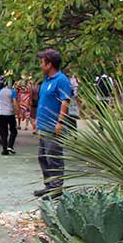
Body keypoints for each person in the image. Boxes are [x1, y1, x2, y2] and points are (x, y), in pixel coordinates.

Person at [33, 49, 72, 199]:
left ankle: (56, 189)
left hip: (53, 126)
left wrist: (60, 122)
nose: (41, 65)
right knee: (43, 157)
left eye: (42, 62)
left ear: (49, 64)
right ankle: (49, 186)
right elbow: (43, 101)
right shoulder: (46, 80)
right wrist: (37, 119)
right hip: (43, 125)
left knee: (54, 157)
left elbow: (65, 101)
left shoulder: (61, 80)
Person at [0, 80, 20, 155]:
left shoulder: (0, 91)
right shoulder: (13, 91)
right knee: (13, 130)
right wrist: (18, 112)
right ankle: (10, 145)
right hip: (10, 113)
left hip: (1, 113)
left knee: (3, 131)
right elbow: (15, 102)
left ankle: (4, 148)